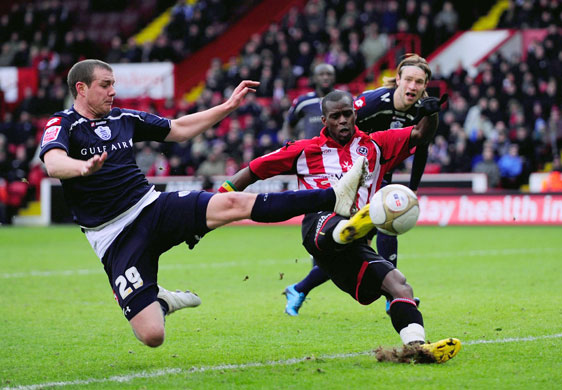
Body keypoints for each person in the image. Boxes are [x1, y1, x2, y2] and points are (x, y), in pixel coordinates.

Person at [39, 59, 367, 348]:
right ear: (81, 89)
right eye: (105, 85)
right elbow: (53, 163)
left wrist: (227, 107)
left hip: (152, 208)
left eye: (113, 84)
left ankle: (333, 196)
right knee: (152, 335)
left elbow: (178, 129)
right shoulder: (64, 124)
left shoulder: (123, 117)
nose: (113, 91)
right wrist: (81, 168)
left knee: (232, 203)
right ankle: (162, 301)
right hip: (113, 238)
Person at [226, 90, 460, 363]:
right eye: (335, 117)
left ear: (355, 113)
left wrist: (431, 113)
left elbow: (420, 134)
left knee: (400, 286)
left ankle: (417, 348)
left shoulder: (376, 145)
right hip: (318, 228)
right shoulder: (305, 150)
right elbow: (253, 170)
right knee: (334, 219)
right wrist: (219, 198)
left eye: (347, 114)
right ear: (324, 120)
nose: (342, 121)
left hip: (352, 247)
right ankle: (352, 223)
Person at [284, 53, 436, 316]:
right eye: (409, 79)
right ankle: (391, 295)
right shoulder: (373, 102)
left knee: (362, 241)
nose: (413, 86)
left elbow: (421, 146)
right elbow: (340, 124)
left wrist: (413, 187)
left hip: (379, 172)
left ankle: (300, 288)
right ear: (398, 79)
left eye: (419, 82)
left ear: (425, 85)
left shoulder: (424, 109)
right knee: (369, 233)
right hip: (349, 173)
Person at [281, 63, 336, 140]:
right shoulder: (303, 101)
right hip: (312, 150)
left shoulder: (345, 99)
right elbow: (289, 123)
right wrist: (288, 143)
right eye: (321, 74)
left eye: (329, 74)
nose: (325, 77)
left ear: (334, 77)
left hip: (338, 149)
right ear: (314, 78)